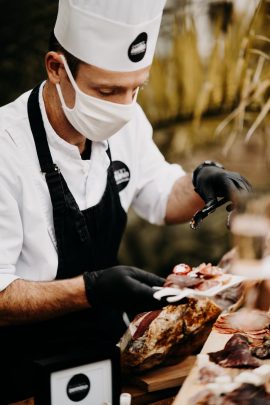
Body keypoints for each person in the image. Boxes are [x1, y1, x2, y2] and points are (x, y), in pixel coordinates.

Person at [0, 0, 251, 403]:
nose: (123, 106)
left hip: (108, 359)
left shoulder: (127, 119)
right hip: (18, 374)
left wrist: (203, 181)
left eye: (137, 88)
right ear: (56, 68)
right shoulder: (5, 149)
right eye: (106, 90)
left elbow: (161, 198)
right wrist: (93, 288)